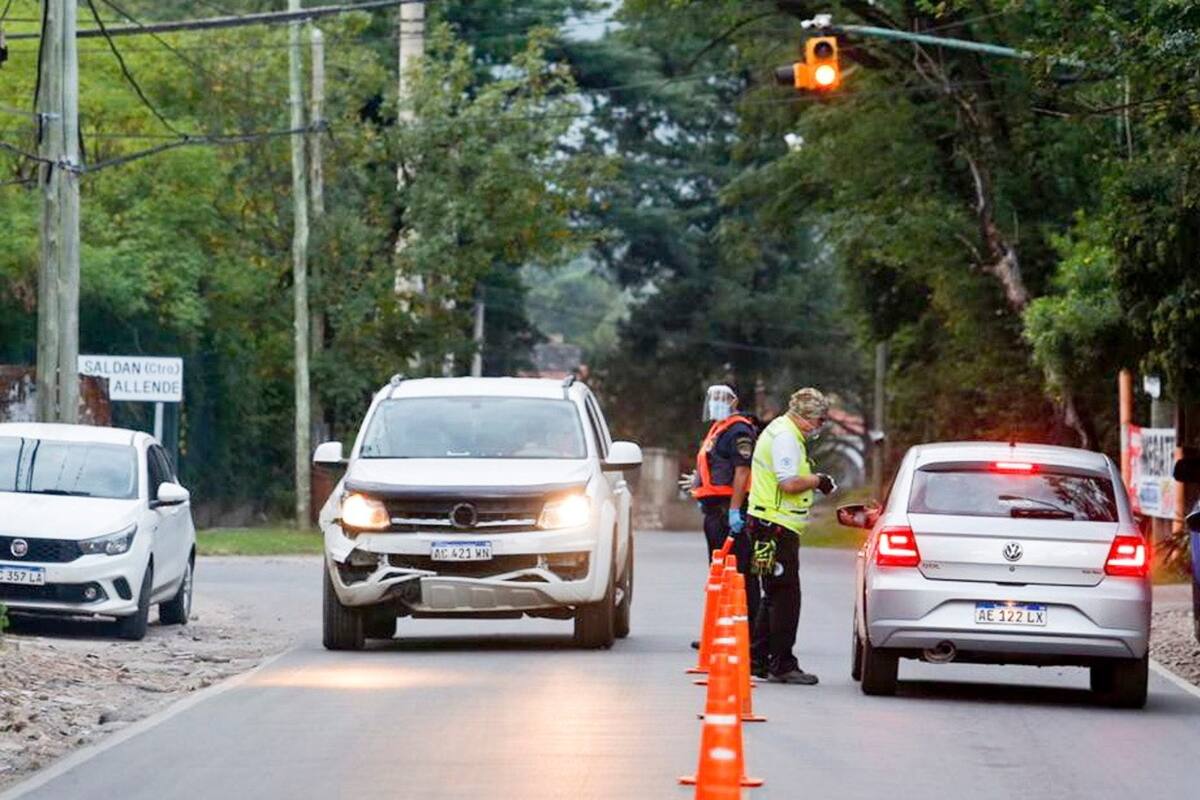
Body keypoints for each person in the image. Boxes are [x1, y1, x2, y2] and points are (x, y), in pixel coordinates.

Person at [746, 387, 836, 685]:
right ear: (806, 417)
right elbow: (789, 482)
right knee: (786, 597)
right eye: (819, 421)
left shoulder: (779, 431)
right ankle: (782, 664)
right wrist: (819, 481)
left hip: (765, 525)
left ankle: (757, 660)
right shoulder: (785, 437)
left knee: (770, 593)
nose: (819, 427)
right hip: (775, 529)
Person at [688, 384, 763, 671]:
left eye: (722, 398)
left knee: (740, 575)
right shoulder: (718, 429)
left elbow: (742, 472)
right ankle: (718, 631)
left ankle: (748, 638)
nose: (717, 403)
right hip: (714, 512)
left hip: (729, 513)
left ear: (734, 401)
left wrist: (734, 509)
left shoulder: (738, 430)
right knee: (719, 574)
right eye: (713, 398)